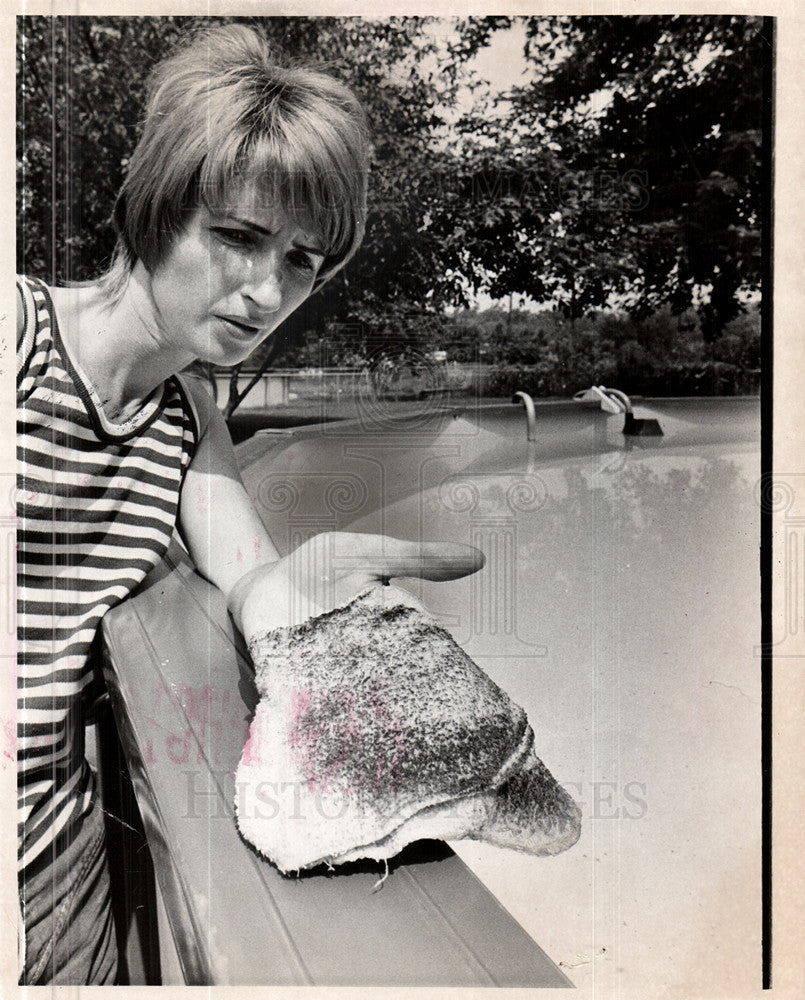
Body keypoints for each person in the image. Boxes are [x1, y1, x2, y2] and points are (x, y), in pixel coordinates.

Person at [16, 23, 482, 985]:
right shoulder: (18, 337)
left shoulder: (187, 418)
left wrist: (306, 592)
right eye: (236, 236)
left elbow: (253, 575)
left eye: (303, 260)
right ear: (153, 208)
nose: (268, 288)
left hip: (51, 859)